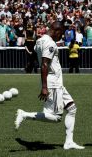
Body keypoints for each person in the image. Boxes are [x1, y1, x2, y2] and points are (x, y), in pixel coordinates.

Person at [14, 21, 85, 150]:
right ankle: (24, 114)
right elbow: (45, 64)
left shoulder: (40, 40)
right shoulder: (50, 43)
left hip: (55, 83)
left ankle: (69, 142)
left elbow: (34, 54)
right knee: (57, 117)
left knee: (72, 108)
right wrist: (45, 87)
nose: (61, 37)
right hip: (53, 83)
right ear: (56, 30)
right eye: (61, 34)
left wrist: (29, 65)